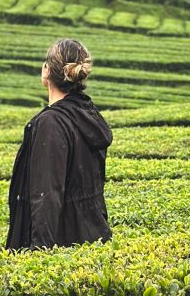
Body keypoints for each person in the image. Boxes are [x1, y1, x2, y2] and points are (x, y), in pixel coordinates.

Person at [6, 38, 113, 251]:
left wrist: (39, 257)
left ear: (46, 71)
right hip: (92, 240)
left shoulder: (51, 123)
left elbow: (47, 195)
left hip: (63, 246)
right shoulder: (89, 114)